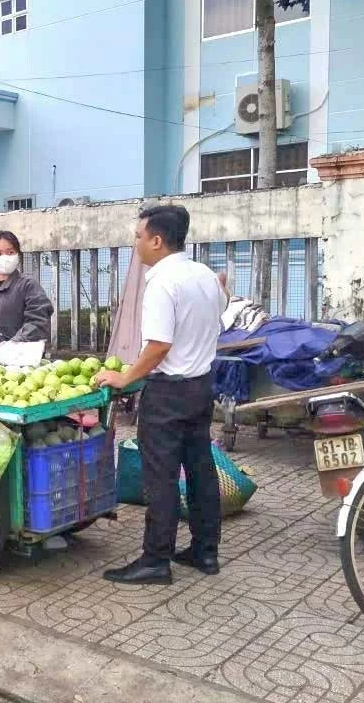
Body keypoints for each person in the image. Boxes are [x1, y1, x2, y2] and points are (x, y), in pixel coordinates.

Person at [93, 205, 227, 585]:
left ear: (156, 240)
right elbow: (220, 310)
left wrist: (125, 377)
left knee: (161, 477)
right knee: (201, 469)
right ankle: (205, 550)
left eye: (138, 236)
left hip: (168, 393)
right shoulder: (203, 275)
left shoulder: (162, 281)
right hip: (201, 386)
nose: (135, 243)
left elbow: (158, 347)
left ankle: (156, 560)